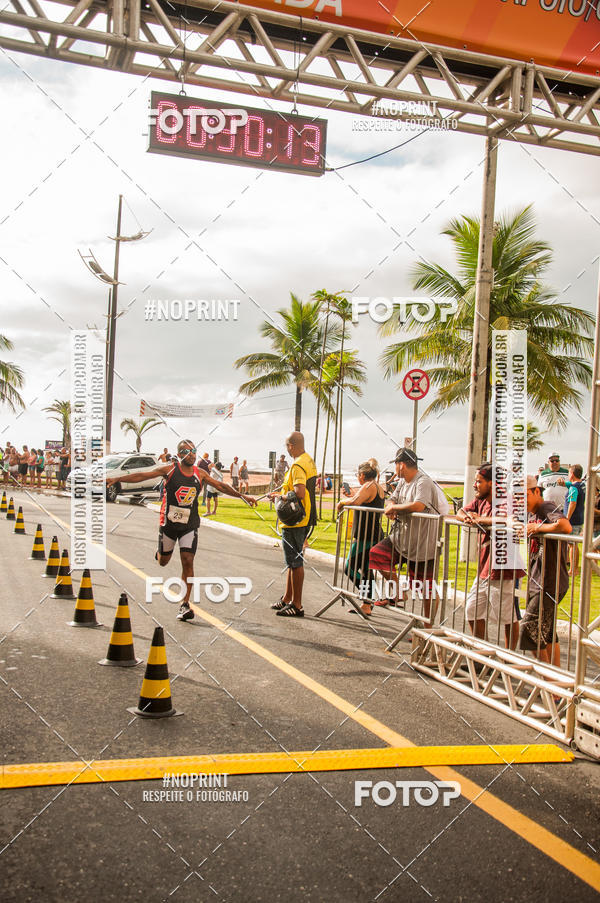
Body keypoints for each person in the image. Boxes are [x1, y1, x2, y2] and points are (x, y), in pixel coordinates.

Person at [107, 439, 257, 621]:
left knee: (188, 561)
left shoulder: (200, 473)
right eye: (187, 451)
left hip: (189, 524)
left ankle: (185, 604)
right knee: (163, 561)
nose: (191, 454)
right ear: (179, 455)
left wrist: (243, 496)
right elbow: (143, 475)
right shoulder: (169, 470)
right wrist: (117, 478)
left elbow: (221, 486)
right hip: (169, 523)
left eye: (193, 450)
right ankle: (160, 553)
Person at [456, 463, 525, 648]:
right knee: (472, 608)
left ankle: (508, 659)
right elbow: (460, 511)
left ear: (493, 483)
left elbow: (506, 519)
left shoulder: (505, 500)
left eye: (479, 481)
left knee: (507, 616)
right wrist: (467, 517)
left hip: (504, 568)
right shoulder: (480, 500)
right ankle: (483, 652)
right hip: (484, 568)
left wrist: (480, 519)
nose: (474, 485)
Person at [369, 448, 440, 622]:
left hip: (422, 543)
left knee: (425, 587)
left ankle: (427, 627)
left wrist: (394, 508)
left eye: (396, 465)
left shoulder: (423, 482)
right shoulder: (402, 482)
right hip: (401, 538)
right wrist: (391, 505)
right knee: (377, 555)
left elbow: (418, 506)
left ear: (401, 465)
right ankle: (399, 591)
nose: (395, 469)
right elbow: (392, 498)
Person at [518, 474, 572, 667]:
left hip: (549, 582)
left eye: (523, 495)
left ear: (536, 491)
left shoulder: (545, 507)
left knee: (528, 631)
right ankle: (556, 681)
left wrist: (538, 527)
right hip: (539, 580)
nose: (519, 501)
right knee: (546, 634)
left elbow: (565, 526)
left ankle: (548, 684)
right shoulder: (534, 514)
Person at [269, 432, 317, 617]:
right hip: (304, 517)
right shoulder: (308, 461)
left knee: (296, 563)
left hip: (296, 519)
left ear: (291, 445)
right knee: (291, 562)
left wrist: (278, 496)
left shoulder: (297, 465)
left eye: (287, 446)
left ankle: (297, 605)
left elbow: (299, 492)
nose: (287, 450)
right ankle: (288, 598)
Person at [337, 459, 385, 616]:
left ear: (363, 475)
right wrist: (350, 497)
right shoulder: (374, 486)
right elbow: (360, 501)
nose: (358, 477)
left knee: (349, 568)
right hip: (371, 535)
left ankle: (368, 598)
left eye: (358, 474)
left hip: (367, 536)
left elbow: (355, 501)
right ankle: (366, 605)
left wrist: (342, 502)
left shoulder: (369, 486)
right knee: (366, 570)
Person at [558, 464, 585, 576]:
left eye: (569, 473)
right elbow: (571, 485)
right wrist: (563, 483)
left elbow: (572, 503)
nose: (568, 475)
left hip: (572, 520)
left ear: (572, 474)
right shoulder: (581, 485)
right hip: (579, 519)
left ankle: (573, 570)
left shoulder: (574, 488)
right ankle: (574, 569)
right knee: (574, 545)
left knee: (572, 545)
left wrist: (567, 518)